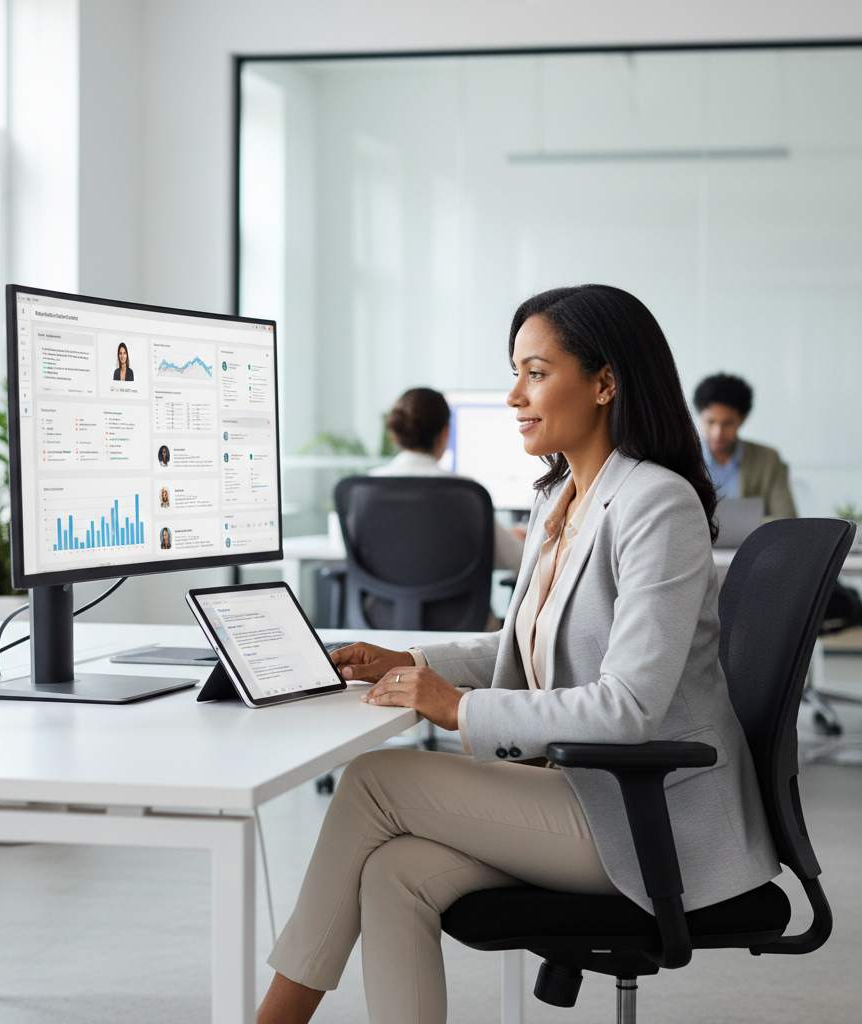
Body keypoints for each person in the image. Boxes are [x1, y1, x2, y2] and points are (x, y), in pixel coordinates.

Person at [257, 285, 779, 1024]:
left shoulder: (656, 504)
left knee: (373, 783)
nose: (513, 396)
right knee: (394, 872)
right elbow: (520, 643)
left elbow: (629, 708)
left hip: (645, 817)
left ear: (605, 383)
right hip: (577, 792)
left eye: (536, 372)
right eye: (515, 372)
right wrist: (403, 656)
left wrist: (456, 707)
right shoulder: (559, 497)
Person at [370, 388, 526, 572]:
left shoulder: (365, 489)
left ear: (395, 434)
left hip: (383, 602)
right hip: (457, 602)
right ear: (445, 433)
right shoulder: (465, 493)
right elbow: (518, 560)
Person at [693, 373, 796, 519]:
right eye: (710, 422)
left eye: (727, 423)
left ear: (742, 419)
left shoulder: (767, 459)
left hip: (753, 541)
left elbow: (787, 516)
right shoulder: (686, 459)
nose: (718, 434)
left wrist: (745, 529)